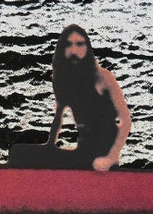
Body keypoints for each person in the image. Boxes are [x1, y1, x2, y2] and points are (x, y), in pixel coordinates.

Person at [11, 24, 130, 170]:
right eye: (69, 44)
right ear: (62, 49)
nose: (74, 50)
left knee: (23, 155)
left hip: (102, 154)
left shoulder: (102, 77)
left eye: (80, 44)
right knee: (18, 153)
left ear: (87, 48)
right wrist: (50, 146)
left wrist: (112, 157)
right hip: (84, 151)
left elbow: (125, 120)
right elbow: (59, 115)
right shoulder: (65, 79)